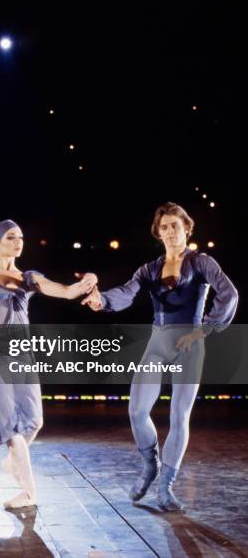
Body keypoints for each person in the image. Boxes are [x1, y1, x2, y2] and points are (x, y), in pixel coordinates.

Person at [81, 202, 238, 511]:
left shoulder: (201, 262)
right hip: (157, 343)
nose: (169, 232)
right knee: (137, 411)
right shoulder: (149, 269)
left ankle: (166, 486)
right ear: (158, 232)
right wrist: (101, 300)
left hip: (190, 345)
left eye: (174, 226)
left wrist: (205, 329)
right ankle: (150, 465)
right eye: (163, 227)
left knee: (179, 416)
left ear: (187, 229)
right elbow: (126, 292)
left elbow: (229, 293)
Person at [0, 219, 97, 509]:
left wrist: (84, 284)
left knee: (35, 422)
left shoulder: (29, 277)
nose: (18, 242)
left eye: (21, 237)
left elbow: (65, 291)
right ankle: (28, 493)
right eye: (11, 237)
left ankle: (11, 462)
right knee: (12, 428)